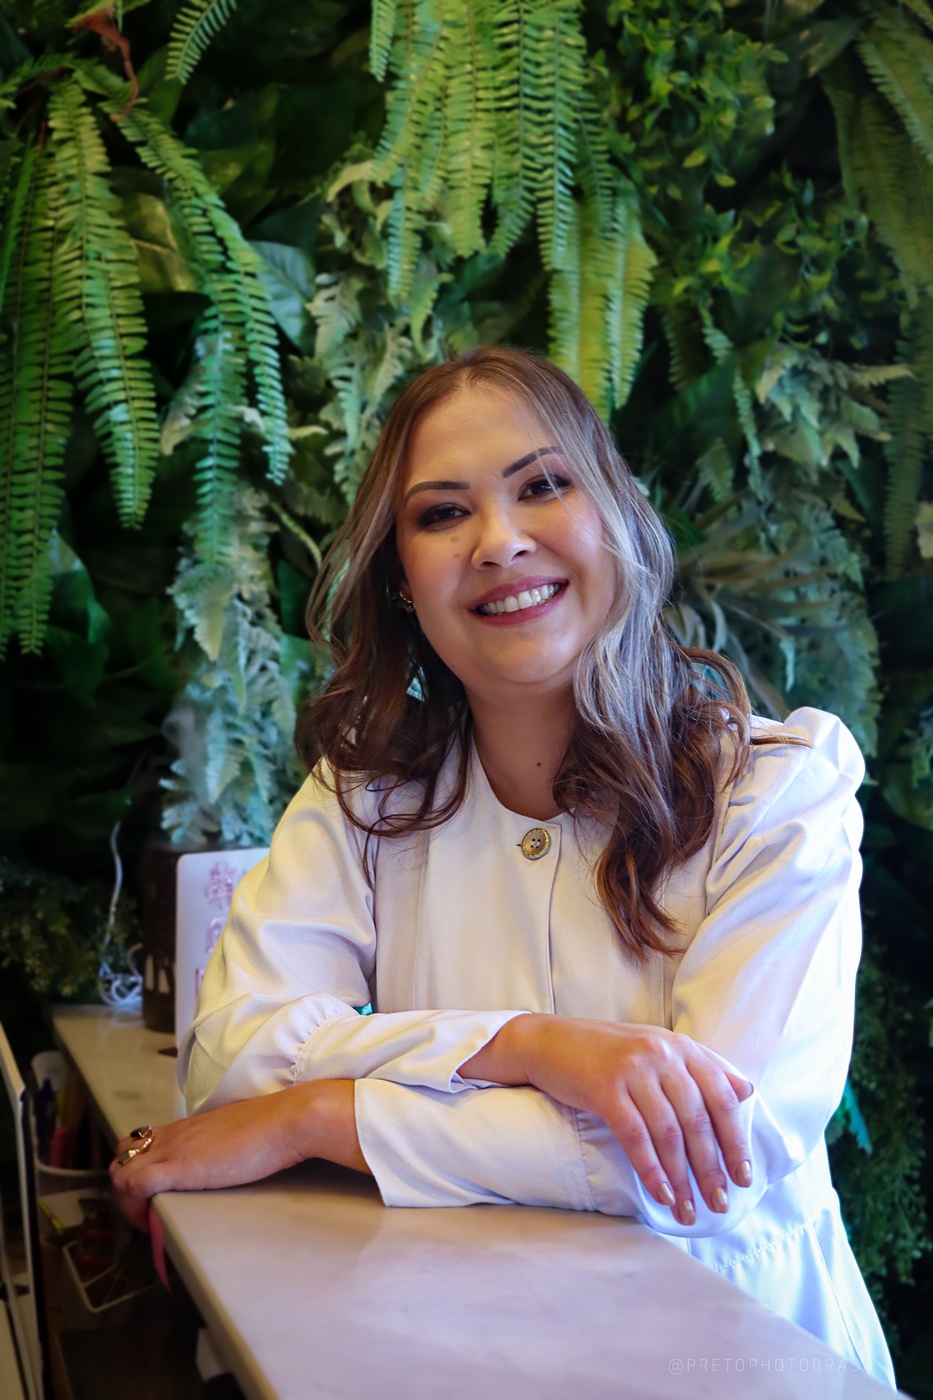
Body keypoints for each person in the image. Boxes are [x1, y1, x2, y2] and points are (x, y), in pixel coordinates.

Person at [110, 346, 894, 1386]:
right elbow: (230, 1056)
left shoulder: (777, 792)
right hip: (463, 1355)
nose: (498, 541)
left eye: (542, 485)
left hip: (739, 1361)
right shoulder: (363, 797)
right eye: (443, 513)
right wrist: (526, 1047)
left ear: (617, 516)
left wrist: (320, 1113)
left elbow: (707, 1158)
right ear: (401, 579)